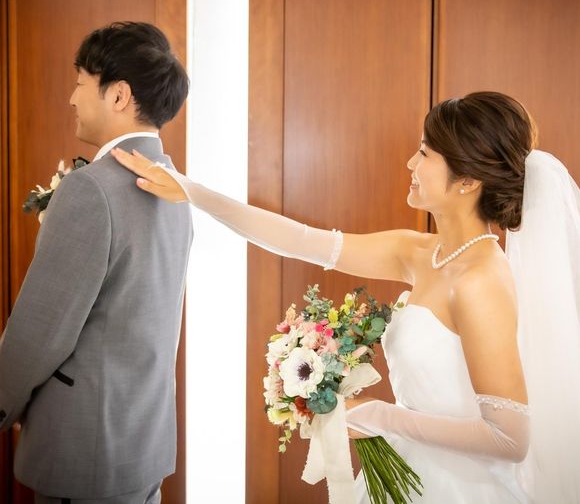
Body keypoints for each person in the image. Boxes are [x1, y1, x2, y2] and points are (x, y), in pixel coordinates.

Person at [111, 91, 580, 503]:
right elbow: (300, 240)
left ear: (467, 181)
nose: (410, 164)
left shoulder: (481, 280)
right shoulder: (422, 252)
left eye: (424, 153)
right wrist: (192, 192)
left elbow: (509, 438)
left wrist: (379, 415)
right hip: (409, 471)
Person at [0, 22, 193, 504]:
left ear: (119, 95)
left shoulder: (90, 189)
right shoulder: (177, 187)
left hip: (85, 452)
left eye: (80, 83)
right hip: (143, 444)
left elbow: (40, 332)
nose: (71, 98)